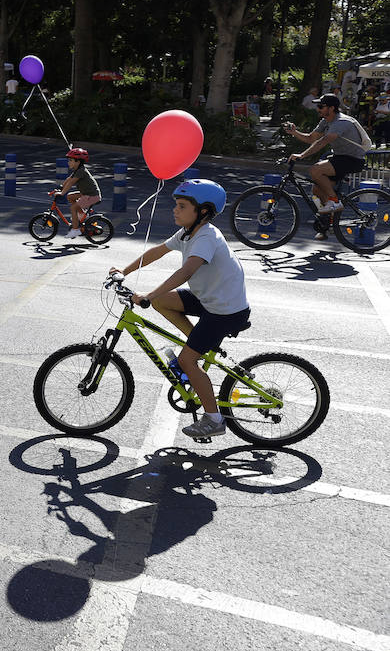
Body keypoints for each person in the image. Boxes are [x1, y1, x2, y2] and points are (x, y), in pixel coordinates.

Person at [110, 180, 249, 440]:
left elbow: (186, 271)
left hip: (225, 310)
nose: (175, 209)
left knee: (186, 360)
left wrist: (149, 296)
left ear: (203, 212)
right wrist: (123, 270)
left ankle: (214, 419)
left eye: (182, 206)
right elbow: (157, 252)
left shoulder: (206, 237)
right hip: (209, 300)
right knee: (165, 301)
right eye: (176, 204)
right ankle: (199, 345)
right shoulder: (188, 232)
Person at [283, 93, 371, 216]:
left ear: (331, 108)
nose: (318, 109)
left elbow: (323, 142)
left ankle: (334, 201)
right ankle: (329, 222)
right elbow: (311, 138)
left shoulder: (341, 122)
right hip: (340, 157)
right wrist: (294, 132)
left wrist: (301, 155)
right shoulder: (325, 121)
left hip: (353, 159)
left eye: (321, 106)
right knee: (318, 189)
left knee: (315, 170)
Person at [57, 147, 102, 239]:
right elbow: (68, 179)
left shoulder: (81, 171)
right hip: (86, 193)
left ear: (78, 162)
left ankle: (75, 230)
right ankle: (81, 215)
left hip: (92, 196)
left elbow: (71, 183)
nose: (68, 162)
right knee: (70, 197)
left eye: (70, 160)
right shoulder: (77, 170)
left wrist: (62, 193)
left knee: (73, 208)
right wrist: (60, 188)